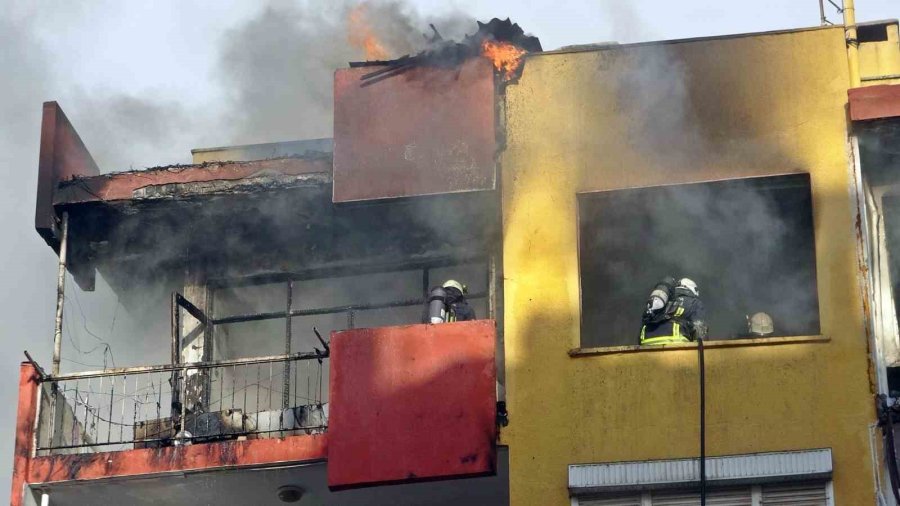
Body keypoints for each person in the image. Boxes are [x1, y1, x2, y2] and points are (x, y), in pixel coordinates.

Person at [640, 277, 708, 345]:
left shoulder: (664, 300)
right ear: (693, 290)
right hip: (675, 344)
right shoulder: (694, 302)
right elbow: (700, 328)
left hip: (646, 342)